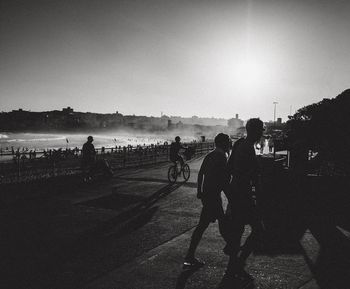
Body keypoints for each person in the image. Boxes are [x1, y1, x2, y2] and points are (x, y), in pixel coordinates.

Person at [220, 118, 265, 286]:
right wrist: (259, 199)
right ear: (255, 131)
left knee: (238, 231)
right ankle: (238, 263)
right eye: (261, 131)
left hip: (235, 193)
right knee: (258, 229)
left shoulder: (239, 144)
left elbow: (229, 168)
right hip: (244, 195)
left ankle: (234, 265)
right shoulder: (249, 149)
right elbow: (255, 178)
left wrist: (231, 189)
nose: (262, 134)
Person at [183, 133, 231, 268]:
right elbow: (223, 181)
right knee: (214, 224)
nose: (229, 144)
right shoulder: (221, 157)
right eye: (228, 142)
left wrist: (200, 191)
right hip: (213, 196)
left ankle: (231, 248)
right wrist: (231, 196)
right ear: (223, 143)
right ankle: (232, 249)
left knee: (208, 224)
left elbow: (201, 173)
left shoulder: (210, 155)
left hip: (208, 195)